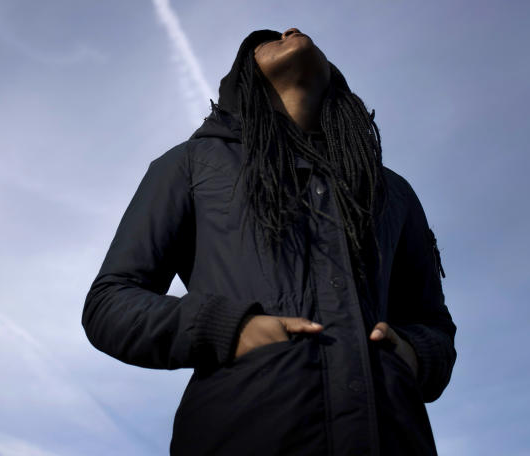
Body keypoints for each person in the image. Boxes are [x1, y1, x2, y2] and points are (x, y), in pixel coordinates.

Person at [82, 28, 456, 455]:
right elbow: (110, 302)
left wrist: (412, 354)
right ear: (244, 80)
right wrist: (230, 328)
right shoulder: (192, 165)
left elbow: (433, 324)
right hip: (242, 432)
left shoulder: (391, 191)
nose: (288, 31)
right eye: (263, 40)